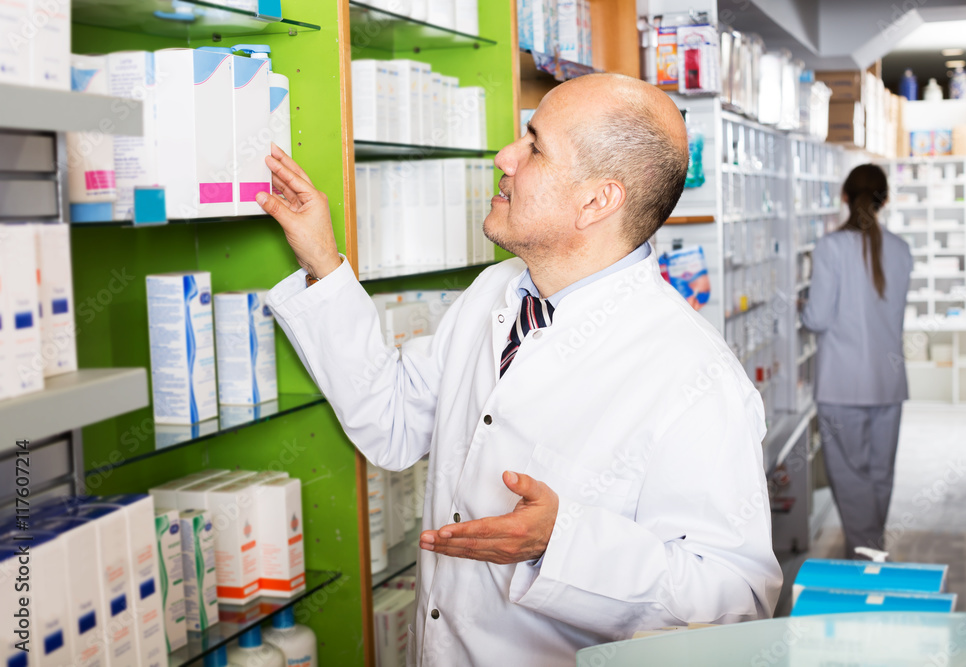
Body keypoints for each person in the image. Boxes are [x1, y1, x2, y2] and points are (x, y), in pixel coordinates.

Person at [258, 73, 782, 666]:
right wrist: (323, 261)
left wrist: (563, 543)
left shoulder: (692, 374)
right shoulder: (496, 292)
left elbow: (737, 599)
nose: (505, 157)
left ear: (597, 201)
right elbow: (394, 422)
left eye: (534, 145)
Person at [801, 164, 913, 559]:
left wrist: (801, 306)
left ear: (845, 197)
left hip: (842, 385)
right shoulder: (901, 250)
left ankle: (865, 556)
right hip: (889, 384)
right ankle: (871, 548)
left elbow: (818, 318)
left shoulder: (831, 248)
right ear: (884, 200)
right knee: (880, 474)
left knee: (850, 476)